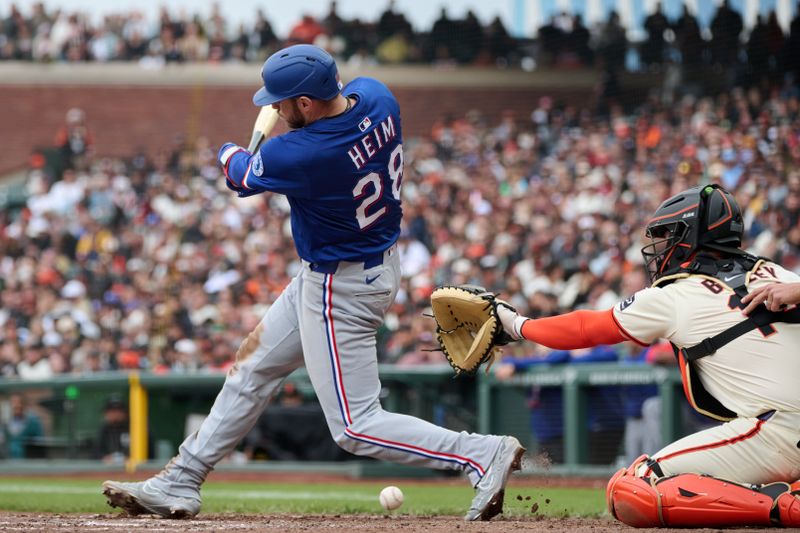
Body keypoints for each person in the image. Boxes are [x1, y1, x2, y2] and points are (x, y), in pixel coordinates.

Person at [102, 43, 523, 522]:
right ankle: (182, 479)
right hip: (369, 261)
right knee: (254, 365)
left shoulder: (302, 152)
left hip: (339, 286)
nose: (275, 111)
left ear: (306, 103)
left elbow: (239, 177)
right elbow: (337, 115)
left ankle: (480, 453)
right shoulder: (377, 95)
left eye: (281, 103)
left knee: (355, 426)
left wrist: (228, 151)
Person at [495, 184, 800, 527]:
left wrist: (516, 324)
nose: (662, 243)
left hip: (781, 430)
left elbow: (586, 328)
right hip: (782, 428)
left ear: (690, 235)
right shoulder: (778, 272)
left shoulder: (675, 294)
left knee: (634, 485)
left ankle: (784, 507)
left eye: (668, 233)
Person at [3, 393, 44, 459]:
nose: (16, 405)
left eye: (19, 402)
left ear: (24, 405)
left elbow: (39, 441)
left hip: (26, 460)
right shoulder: (6, 422)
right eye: (13, 402)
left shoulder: (32, 421)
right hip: (8, 461)